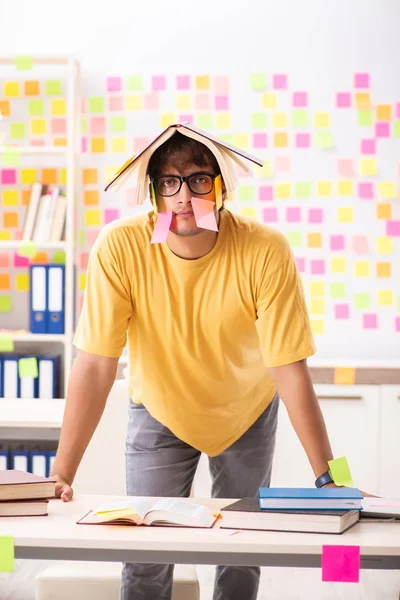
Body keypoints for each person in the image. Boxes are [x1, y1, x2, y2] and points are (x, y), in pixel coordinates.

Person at [52, 130, 339, 600]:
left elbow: (289, 367)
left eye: (198, 180)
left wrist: (332, 477)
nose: (184, 197)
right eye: (169, 183)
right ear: (153, 194)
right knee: (146, 554)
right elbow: (97, 363)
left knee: (243, 553)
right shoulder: (122, 247)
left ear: (221, 187)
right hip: (159, 411)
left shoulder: (264, 249)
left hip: (245, 413)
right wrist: (61, 473)